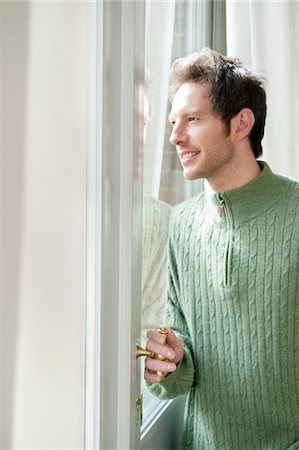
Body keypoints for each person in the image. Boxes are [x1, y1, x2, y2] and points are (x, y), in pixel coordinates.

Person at [144, 48, 299, 450]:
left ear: (241, 123)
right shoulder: (181, 223)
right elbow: (184, 365)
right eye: (173, 122)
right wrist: (168, 363)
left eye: (192, 120)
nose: (176, 136)